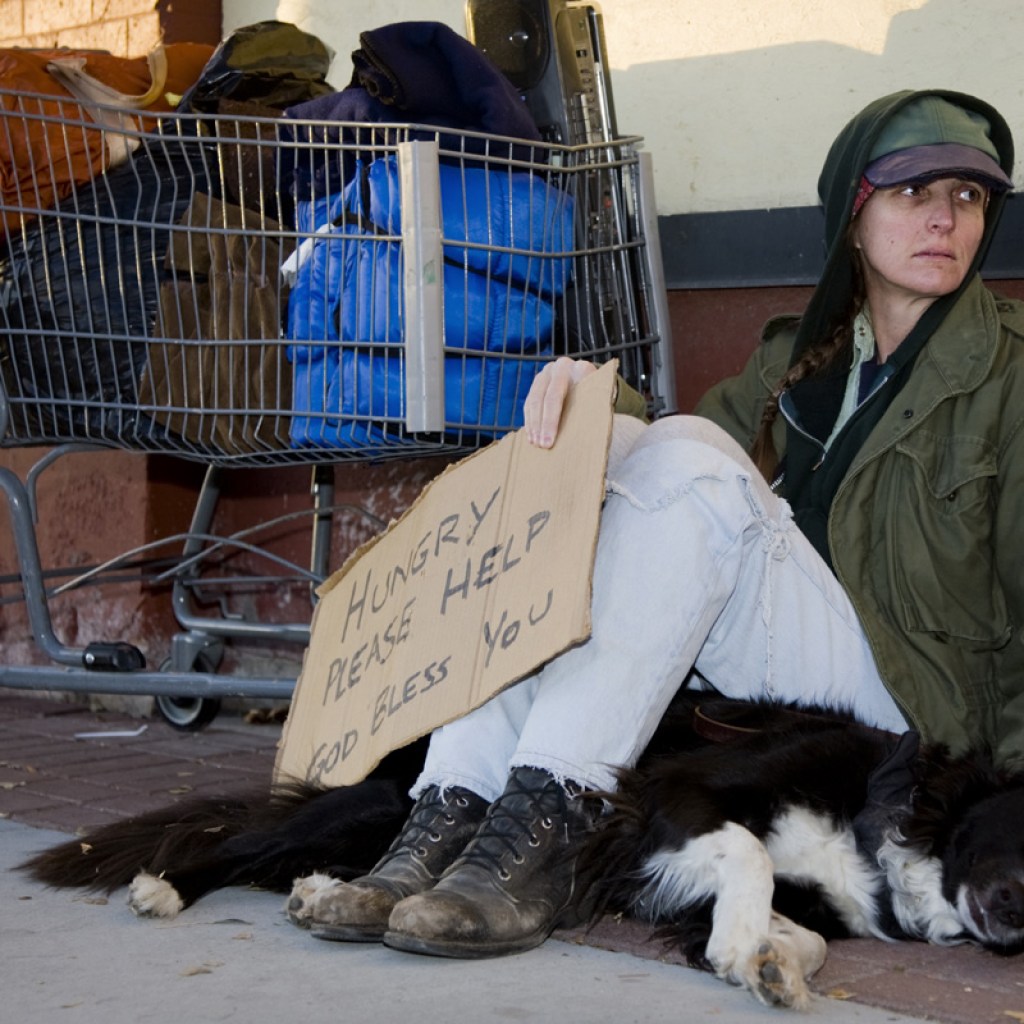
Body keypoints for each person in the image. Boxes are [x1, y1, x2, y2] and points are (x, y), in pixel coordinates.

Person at [297, 88, 1023, 959]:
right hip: (807, 696)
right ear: (854, 215)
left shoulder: (1012, 379)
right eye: (914, 192)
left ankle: (547, 828)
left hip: (918, 733)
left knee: (678, 456)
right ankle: (447, 811)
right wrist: (592, 403)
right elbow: (681, 472)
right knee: (627, 449)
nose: (945, 216)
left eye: (970, 196)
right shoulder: (801, 358)